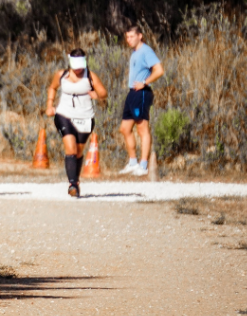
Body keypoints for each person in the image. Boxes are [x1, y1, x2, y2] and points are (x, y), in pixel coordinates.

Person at [45, 48, 108, 197]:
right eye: (76, 65)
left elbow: (104, 93)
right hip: (63, 114)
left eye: (81, 65)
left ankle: (76, 180)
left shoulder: (90, 76)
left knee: (78, 152)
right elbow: (52, 87)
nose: (79, 69)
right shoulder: (61, 75)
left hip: (85, 117)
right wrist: (49, 105)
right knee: (71, 149)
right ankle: (72, 184)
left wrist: (97, 95)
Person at [117, 25, 164, 176]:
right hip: (132, 93)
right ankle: (133, 162)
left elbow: (159, 70)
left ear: (140, 36)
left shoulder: (146, 51)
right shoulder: (134, 52)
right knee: (124, 128)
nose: (128, 40)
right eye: (127, 37)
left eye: (131, 36)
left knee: (142, 128)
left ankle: (143, 166)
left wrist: (145, 82)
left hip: (142, 93)